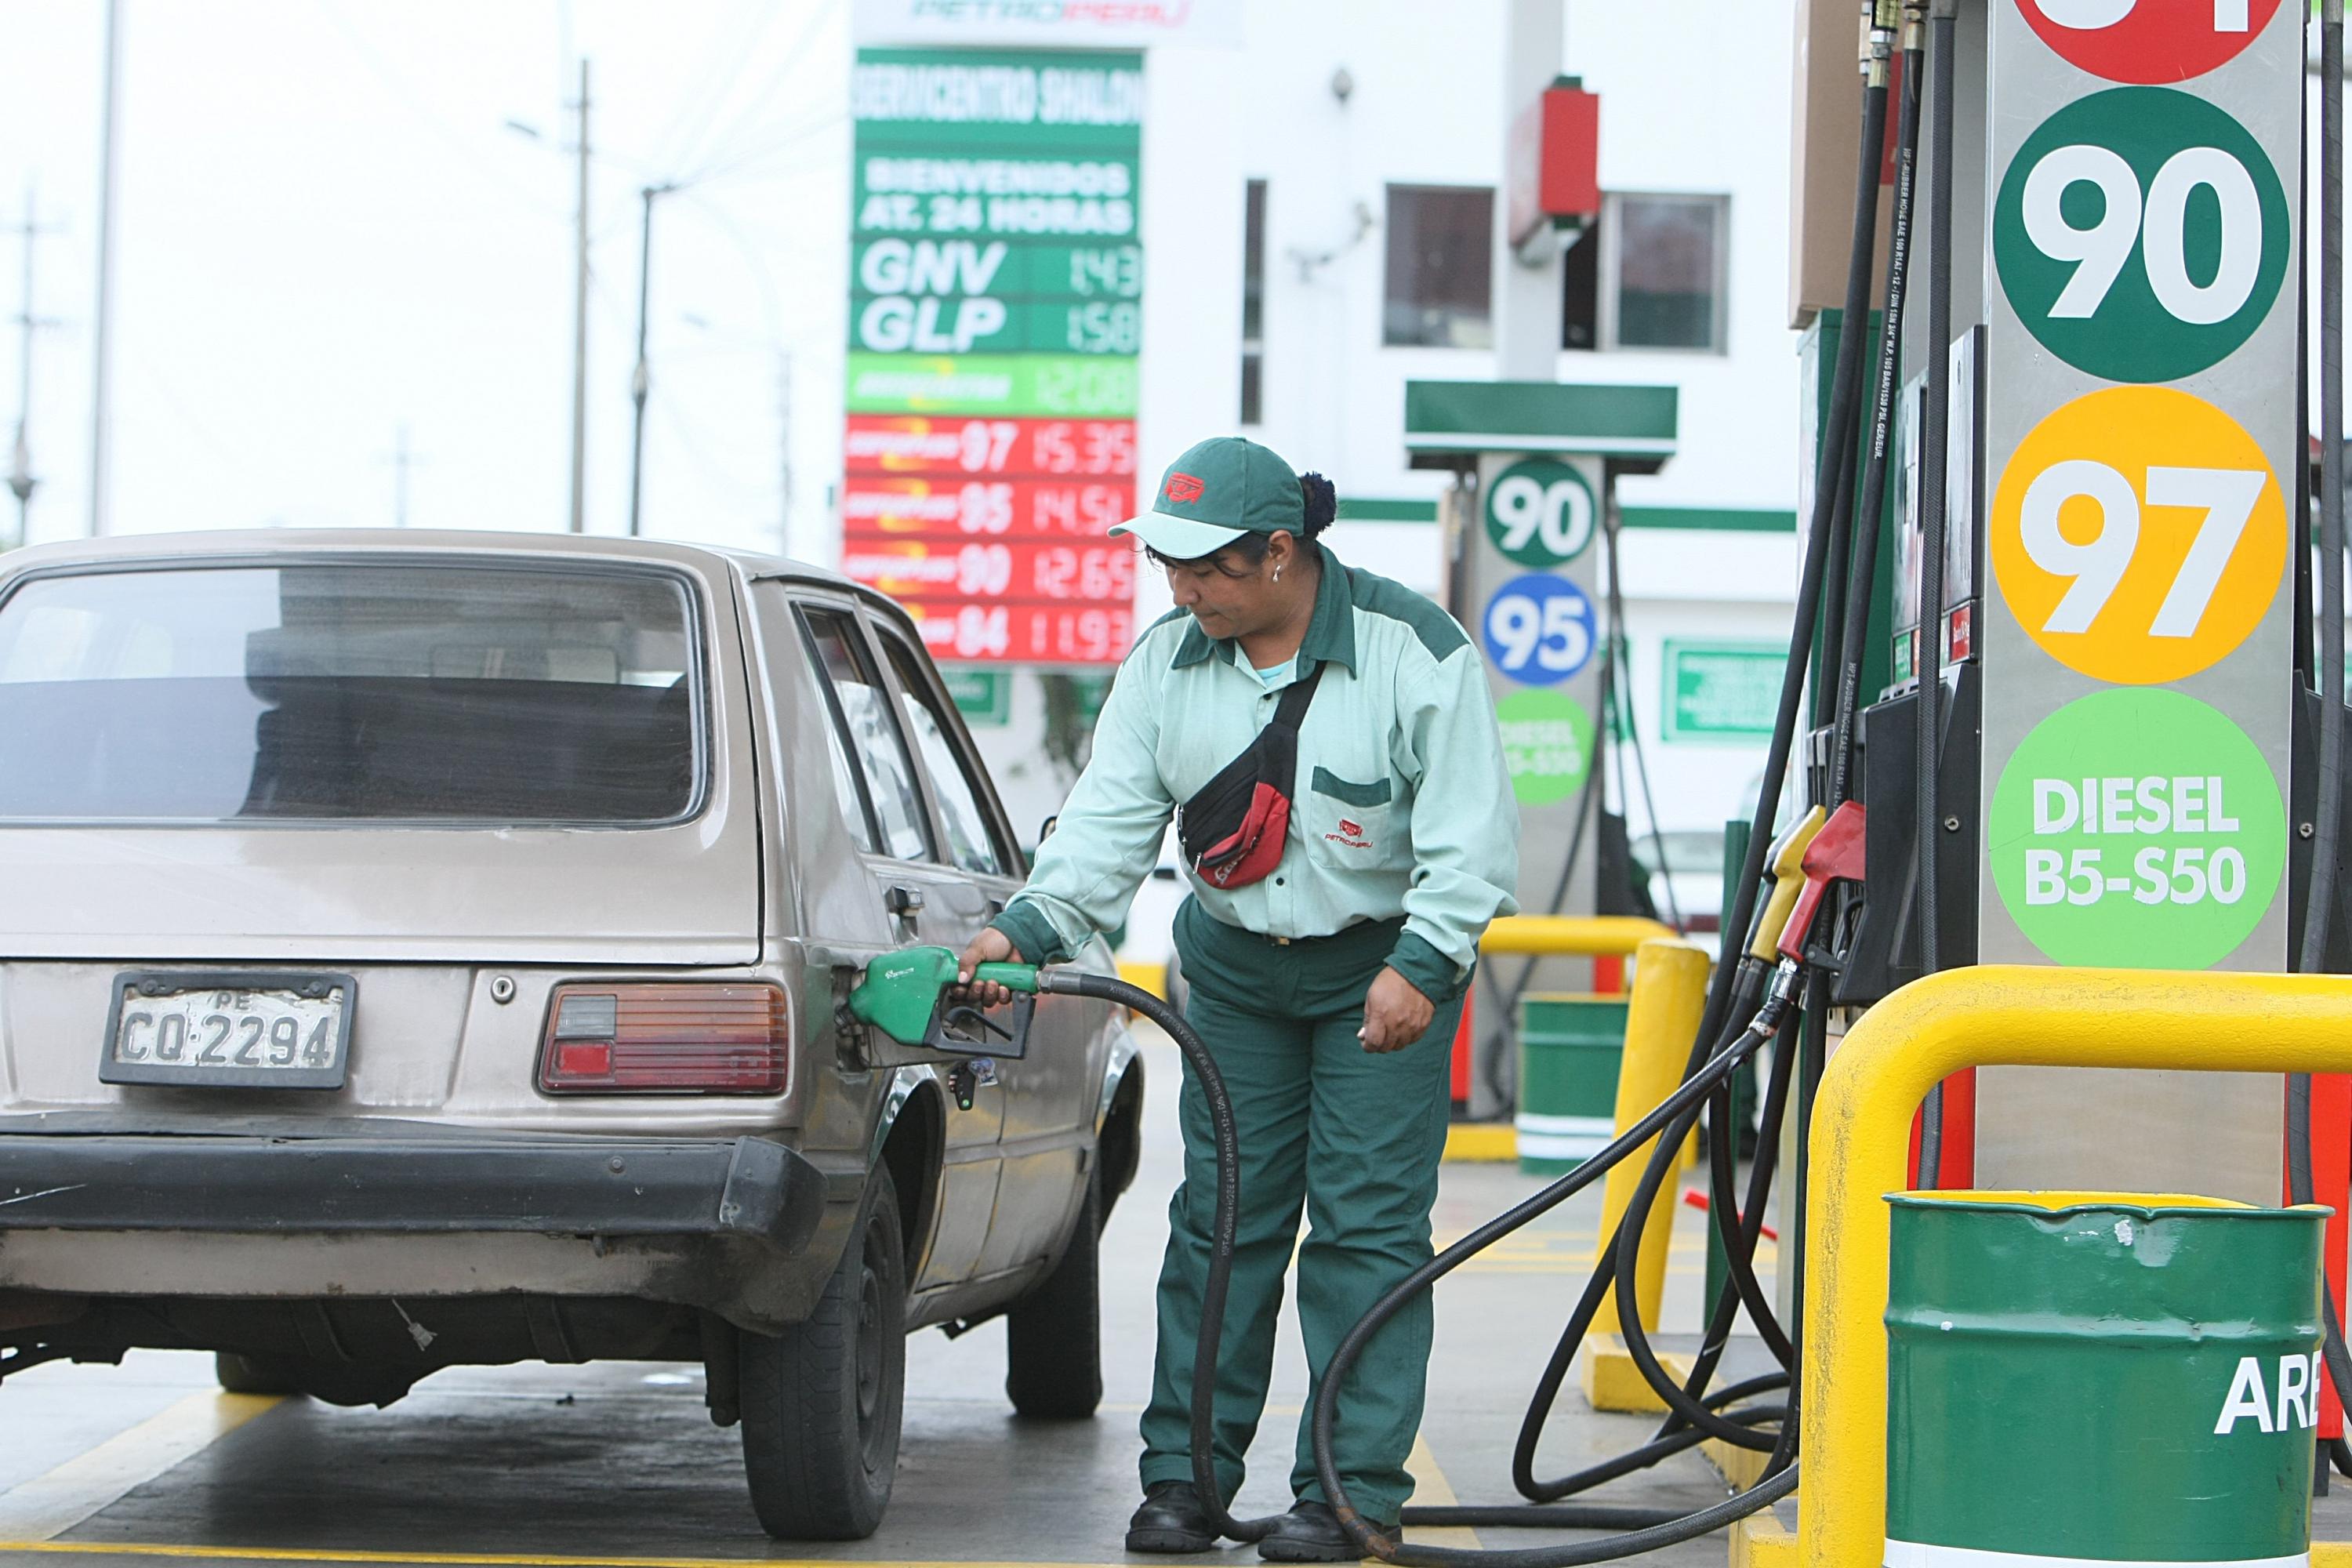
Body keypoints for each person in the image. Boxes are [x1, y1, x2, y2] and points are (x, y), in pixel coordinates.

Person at [956, 436, 1519, 1562]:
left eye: (1203, 567)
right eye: (1166, 564)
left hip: (1383, 970)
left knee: (1364, 1231)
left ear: (1279, 553)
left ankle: (1348, 1494)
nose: (1181, 588)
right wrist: (1023, 927)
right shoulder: (1165, 662)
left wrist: (1427, 961)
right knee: (1223, 1225)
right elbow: (1109, 821)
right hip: (1234, 971)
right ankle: (1187, 1484)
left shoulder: (1417, 653)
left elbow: (1470, 841)